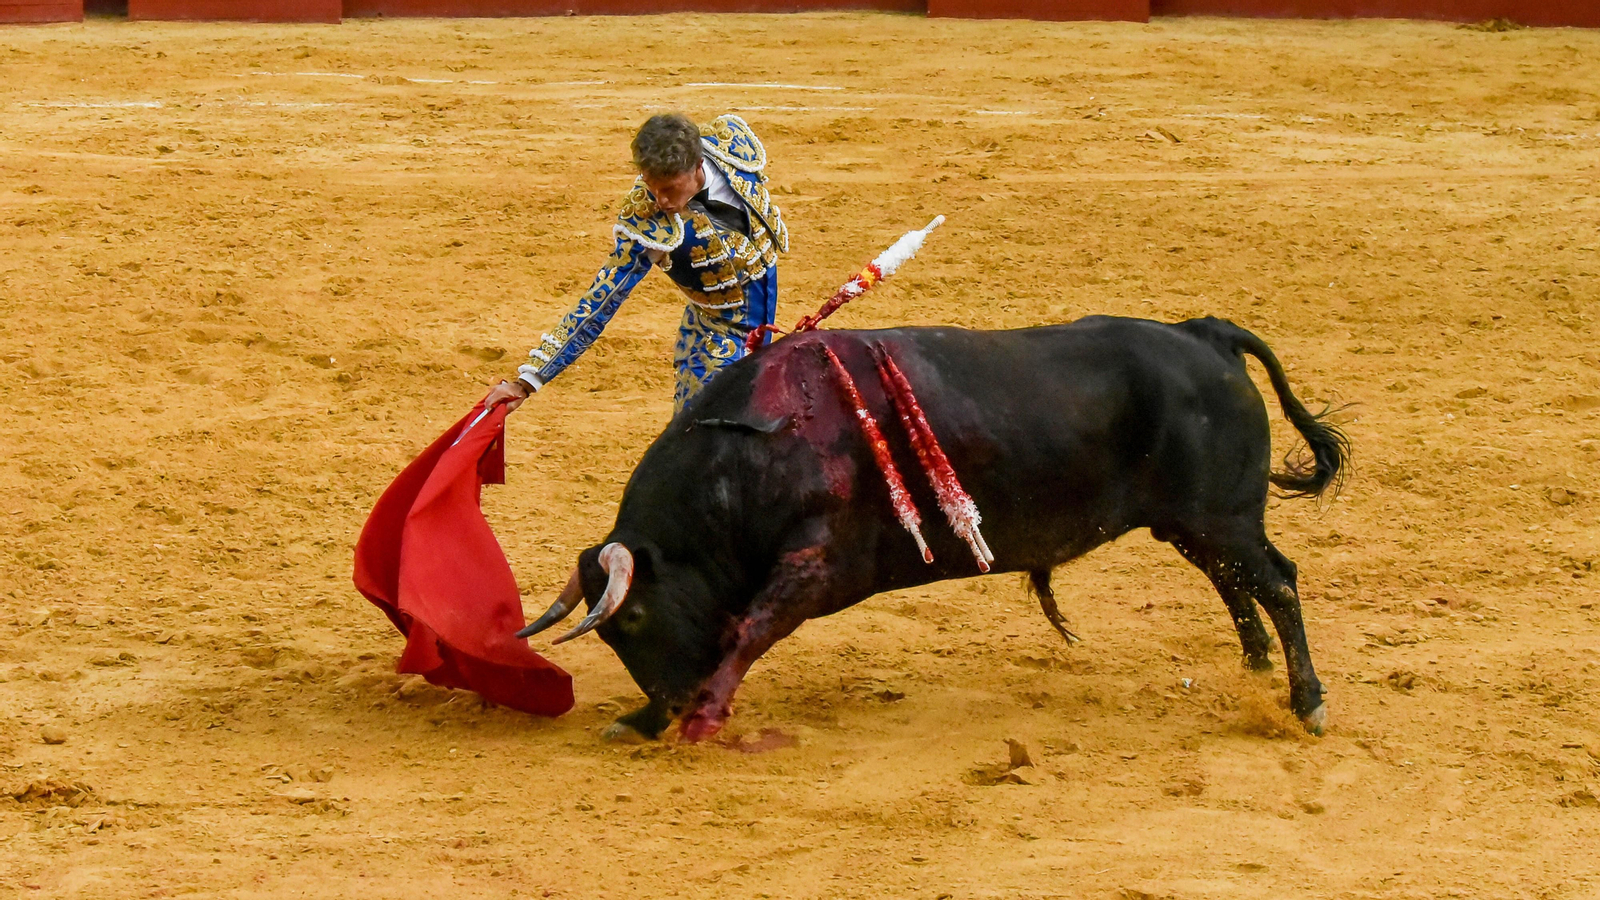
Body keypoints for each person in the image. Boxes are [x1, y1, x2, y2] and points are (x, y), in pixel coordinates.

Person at [481, 112, 788, 416]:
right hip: (715, 342)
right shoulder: (646, 224)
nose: (661, 201)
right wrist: (528, 380)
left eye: (669, 189)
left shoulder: (733, 149)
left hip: (767, 330)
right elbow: (600, 301)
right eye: (652, 187)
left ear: (698, 165)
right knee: (704, 440)